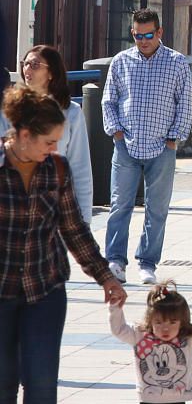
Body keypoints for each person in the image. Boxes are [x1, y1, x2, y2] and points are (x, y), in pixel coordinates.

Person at [0, 86, 127, 404]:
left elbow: (73, 228)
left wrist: (105, 276)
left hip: (45, 290)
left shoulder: (56, 169)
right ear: (25, 135)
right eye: (49, 142)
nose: (55, 148)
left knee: (42, 386)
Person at [103, 9, 192, 285]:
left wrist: (173, 139)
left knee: (157, 209)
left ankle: (147, 262)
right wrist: (116, 133)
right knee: (119, 205)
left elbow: (184, 104)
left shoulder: (177, 63)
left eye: (149, 35)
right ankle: (115, 261)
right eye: (138, 35)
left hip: (162, 147)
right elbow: (109, 100)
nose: (143, 40)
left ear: (160, 33)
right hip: (126, 145)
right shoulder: (121, 62)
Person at [109, 281, 192, 403]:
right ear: (150, 320)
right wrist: (115, 308)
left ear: (182, 322)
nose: (165, 328)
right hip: (149, 397)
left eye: (173, 322)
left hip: (178, 397)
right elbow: (119, 329)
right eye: (158, 322)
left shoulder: (185, 336)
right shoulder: (141, 335)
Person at [16, 45, 94, 224]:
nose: (27, 69)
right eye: (26, 64)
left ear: (51, 73)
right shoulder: (12, 109)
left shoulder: (71, 113)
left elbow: (80, 168)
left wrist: (84, 219)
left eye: (35, 65)